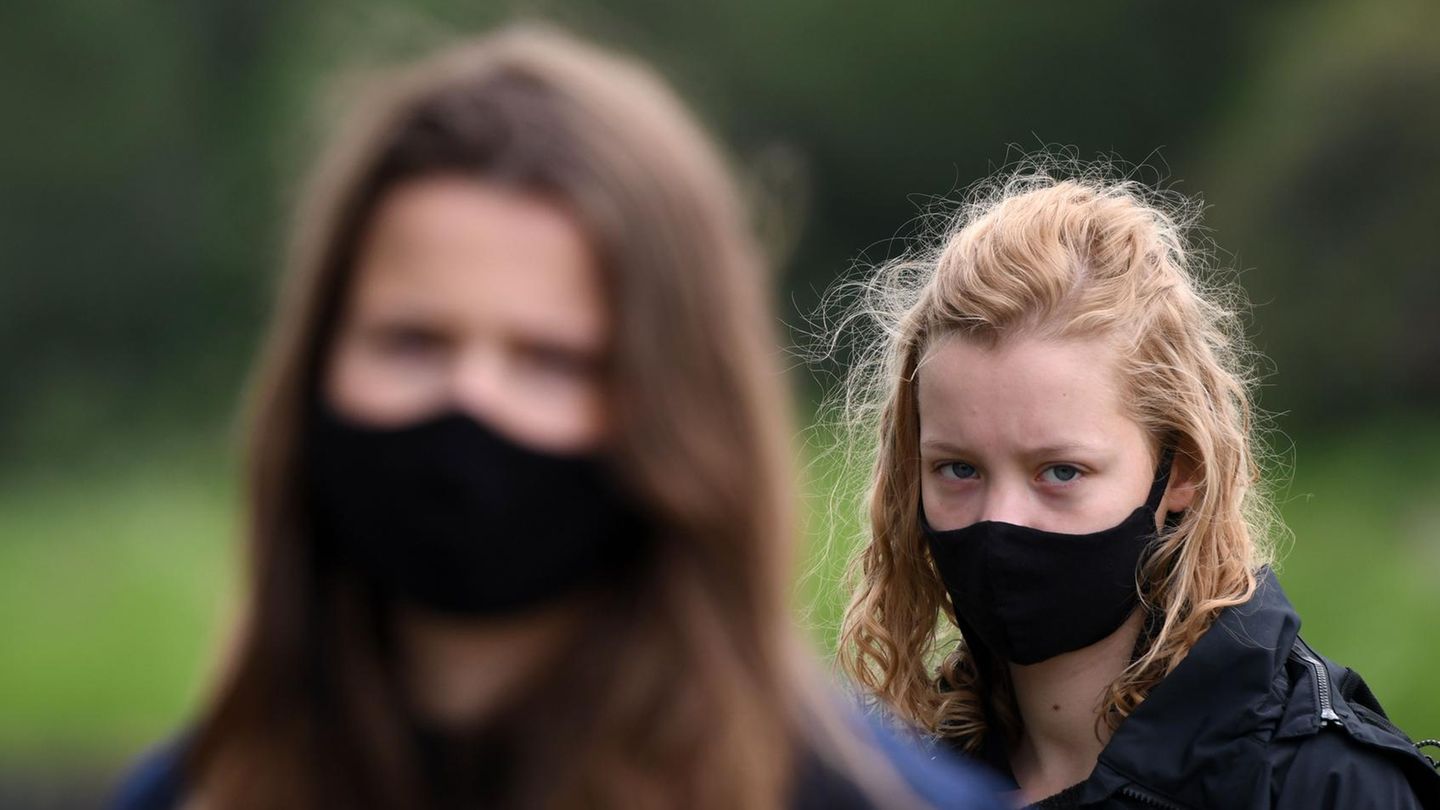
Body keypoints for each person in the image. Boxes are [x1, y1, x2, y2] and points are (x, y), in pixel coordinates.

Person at [108, 24, 1006, 810]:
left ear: (680, 408)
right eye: (413, 341)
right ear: (315, 373)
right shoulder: (194, 795)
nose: (472, 403)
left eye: (552, 360)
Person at [829, 167, 1440, 808]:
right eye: (958, 469)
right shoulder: (888, 783)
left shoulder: (1330, 789)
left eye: (1060, 472)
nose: (999, 519)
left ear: (1180, 471)